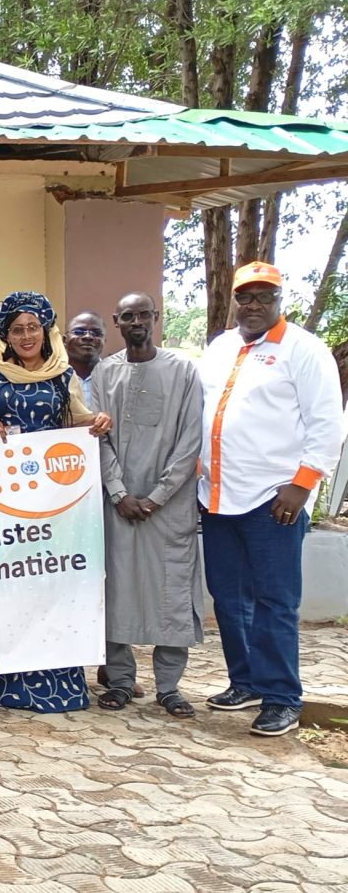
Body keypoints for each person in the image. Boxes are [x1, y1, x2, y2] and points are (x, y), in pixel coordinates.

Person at [198, 262, 344, 736]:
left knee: (275, 601)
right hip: (218, 497)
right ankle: (246, 682)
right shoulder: (220, 348)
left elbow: (327, 424)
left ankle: (283, 696)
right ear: (234, 301)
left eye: (265, 296)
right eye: (246, 297)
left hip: (272, 499)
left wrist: (301, 485)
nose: (254, 305)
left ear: (281, 300)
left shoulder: (304, 350)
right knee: (227, 598)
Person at [0, 291, 112, 714]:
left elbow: (78, 418)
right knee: (6, 581)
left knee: (47, 582)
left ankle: (56, 678)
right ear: (6, 335)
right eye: (17, 329)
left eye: (33, 328)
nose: (26, 336)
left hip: (53, 501)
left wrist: (98, 421)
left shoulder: (62, 375)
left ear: (46, 331)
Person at [92, 292, 204, 719]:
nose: (136, 321)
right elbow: (97, 436)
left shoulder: (182, 371)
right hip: (118, 505)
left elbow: (189, 439)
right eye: (128, 316)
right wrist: (119, 493)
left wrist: (156, 497)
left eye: (144, 314)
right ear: (117, 322)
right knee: (116, 589)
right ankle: (120, 682)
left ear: (156, 318)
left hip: (169, 507)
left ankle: (170, 687)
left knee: (169, 592)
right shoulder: (106, 372)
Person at [66, 311, 106, 409]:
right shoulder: (53, 376)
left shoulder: (115, 377)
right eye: (79, 332)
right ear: (64, 340)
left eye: (96, 333)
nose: (88, 337)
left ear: (104, 341)